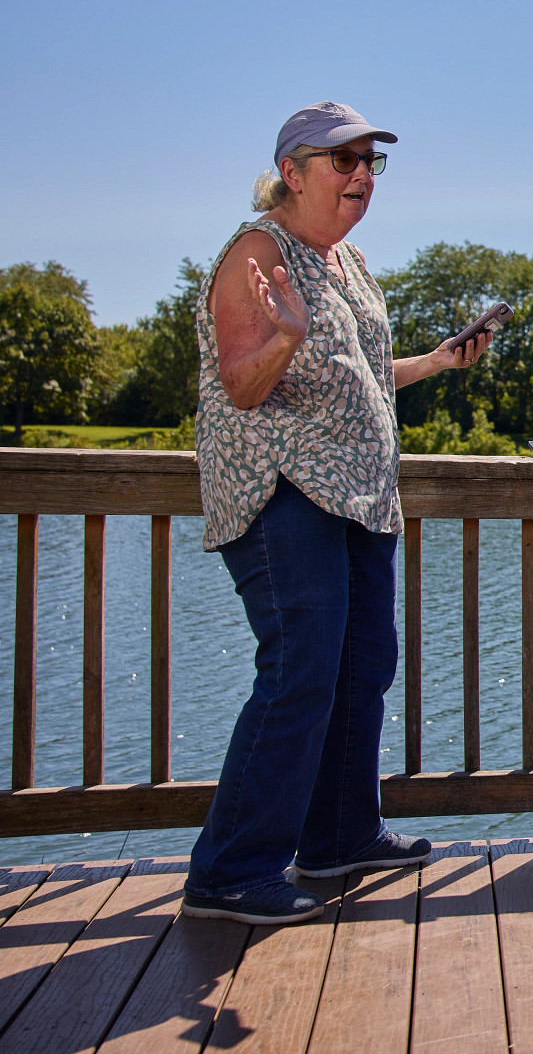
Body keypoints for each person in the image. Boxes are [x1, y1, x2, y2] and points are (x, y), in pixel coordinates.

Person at [183, 102, 493, 924]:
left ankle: (339, 835)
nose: (361, 176)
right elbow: (244, 386)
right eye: (342, 161)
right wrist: (282, 334)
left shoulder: (346, 263)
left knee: (362, 668)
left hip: (359, 497)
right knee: (300, 670)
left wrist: (437, 360)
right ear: (292, 172)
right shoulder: (259, 253)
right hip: (285, 494)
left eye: (371, 163)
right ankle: (231, 869)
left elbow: (358, 377)